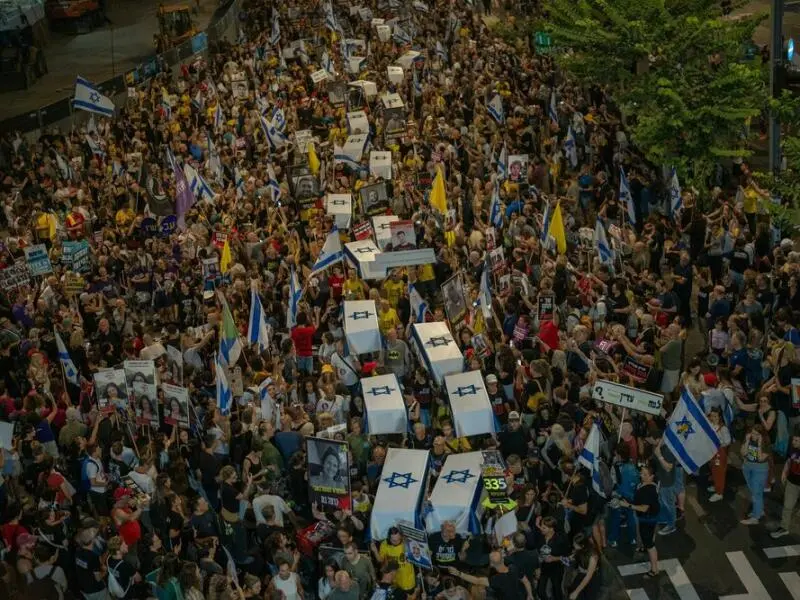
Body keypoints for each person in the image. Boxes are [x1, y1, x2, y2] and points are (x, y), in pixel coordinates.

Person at [619, 464, 661, 578]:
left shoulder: (648, 490)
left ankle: (654, 569)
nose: (641, 475)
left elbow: (644, 508)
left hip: (647, 519)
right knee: (647, 536)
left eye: (645, 474)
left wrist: (627, 505)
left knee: (650, 545)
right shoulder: (649, 484)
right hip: (649, 517)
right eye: (641, 472)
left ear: (651, 476)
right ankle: (645, 546)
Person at [771, 427, 800, 538]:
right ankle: (784, 528)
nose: (793, 442)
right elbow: (789, 460)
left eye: (796, 441)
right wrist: (784, 472)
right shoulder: (792, 448)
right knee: (787, 506)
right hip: (792, 481)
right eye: (793, 440)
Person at [740, 424, 772, 524]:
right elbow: (743, 453)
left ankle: (756, 517)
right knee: (754, 491)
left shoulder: (766, 443)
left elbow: (760, 458)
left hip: (760, 469)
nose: (753, 436)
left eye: (756, 434)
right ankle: (759, 510)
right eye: (752, 433)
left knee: (756, 493)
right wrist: (747, 441)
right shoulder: (748, 439)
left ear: (761, 435)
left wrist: (759, 444)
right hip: (747, 467)